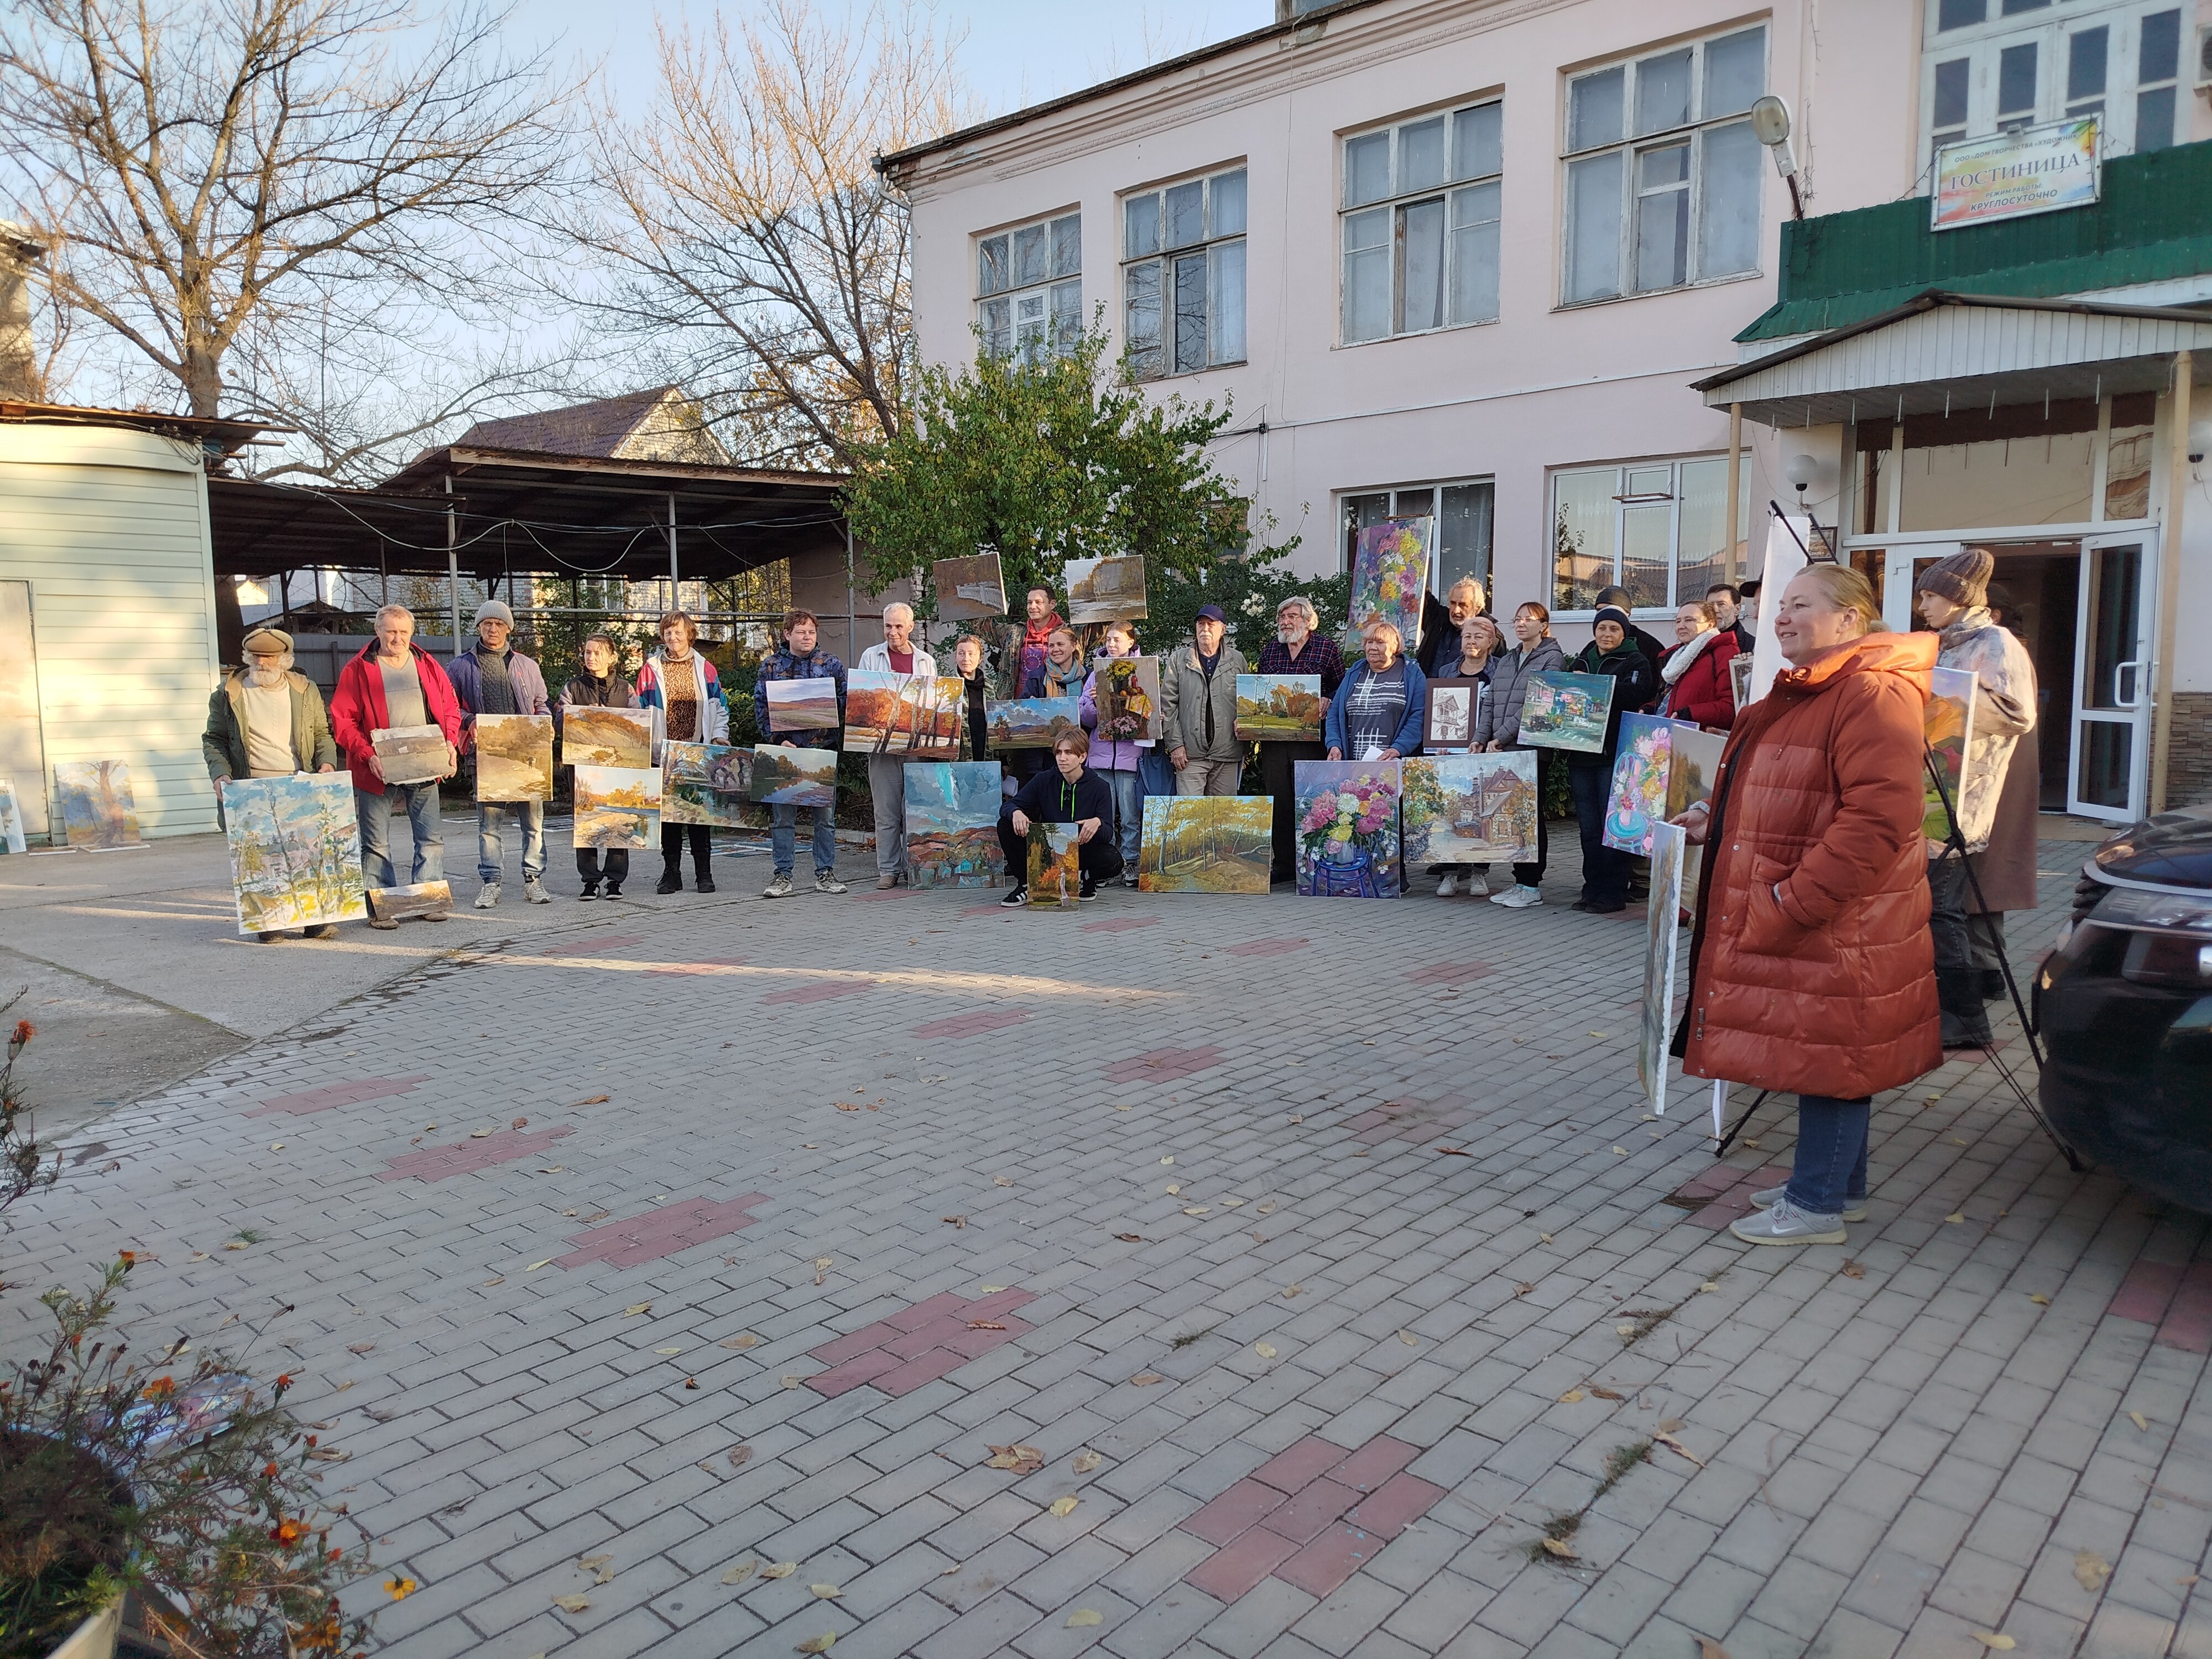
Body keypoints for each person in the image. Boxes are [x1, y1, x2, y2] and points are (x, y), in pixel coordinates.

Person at [1674, 565, 1940, 1245]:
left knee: (1831, 1062)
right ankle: (1834, 1188)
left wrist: (1791, 902)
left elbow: (1877, 822)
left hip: (1837, 921)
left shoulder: (1871, 694)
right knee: (1833, 1054)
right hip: (1825, 918)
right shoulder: (1805, 693)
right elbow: (1783, 791)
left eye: (1799, 606)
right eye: (1778, 606)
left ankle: (1814, 1205)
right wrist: (1718, 819)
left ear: (1850, 620)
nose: (1781, 617)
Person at [1914, 549, 2036, 1050]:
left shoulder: (1997, 642)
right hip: (1928, 790)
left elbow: (2016, 714)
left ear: (1957, 597)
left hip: (1965, 797)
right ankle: (1942, 1011)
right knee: (1934, 906)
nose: (1921, 605)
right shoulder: (1940, 642)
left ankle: (1965, 1019)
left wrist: (1942, 698)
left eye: (1928, 596)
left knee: (1943, 907)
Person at [202, 625, 342, 941]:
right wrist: (220, 774)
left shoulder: (305, 690)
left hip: (298, 781)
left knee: (306, 854)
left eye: (270, 658)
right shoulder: (228, 694)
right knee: (263, 858)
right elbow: (214, 739)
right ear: (247, 657)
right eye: (256, 657)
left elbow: (322, 732)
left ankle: (315, 920)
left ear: (285, 660)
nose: (263, 663)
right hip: (251, 785)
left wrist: (327, 763)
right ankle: (270, 922)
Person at [328, 604, 461, 928]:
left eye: (403, 632)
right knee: (376, 842)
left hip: (425, 763)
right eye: (390, 631)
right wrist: (367, 755)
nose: (397, 638)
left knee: (430, 837)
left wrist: (451, 743)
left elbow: (451, 707)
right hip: (377, 768)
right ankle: (381, 907)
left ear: (411, 632)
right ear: (377, 631)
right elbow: (342, 722)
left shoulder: (427, 665)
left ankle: (428, 899)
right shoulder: (357, 670)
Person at [445, 599, 553, 909]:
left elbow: (541, 703)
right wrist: (469, 721)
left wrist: (545, 724)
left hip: (527, 757)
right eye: (487, 624)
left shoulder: (527, 666)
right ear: (479, 627)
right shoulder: (461, 666)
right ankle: (491, 883)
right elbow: (449, 707)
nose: (493, 629)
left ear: (509, 629)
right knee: (490, 826)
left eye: (500, 624)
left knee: (533, 823)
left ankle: (534, 881)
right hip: (487, 757)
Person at [1966, 582, 2041, 1001]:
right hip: (1991, 775)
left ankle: (1987, 974)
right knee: (1982, 882)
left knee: (1982, 880)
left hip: (1992, 777)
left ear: (1991, 614)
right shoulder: (2005, 648)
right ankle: (1987, 972)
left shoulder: (2003, 651)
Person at [1564, 604, 1659, 914]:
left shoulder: (1636, 660)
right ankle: (1591, 888)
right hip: (1581, 753)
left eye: (1614, 629)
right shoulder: (1583, 658)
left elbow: (1637, 694)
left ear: (1624, 633)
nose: (1607, 634)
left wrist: (1591, 688)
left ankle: (1613, 892)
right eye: (1602, 628)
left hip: (1614, 756)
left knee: (1614, 826)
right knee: (1589, 827)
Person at [752, 607, 847, 899]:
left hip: (821, 753)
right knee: (783, 819)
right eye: (801, 632)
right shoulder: (770, 667)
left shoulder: (830, 664)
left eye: (811, 632)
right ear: (787, 634)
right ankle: (782, 876)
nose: (807, 637)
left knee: (825, 819)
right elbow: (761, 706)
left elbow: (846, 703)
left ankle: (826, 873)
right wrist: (777, 739)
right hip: (784, 754)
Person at [1478, 602, 1568, 909]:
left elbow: (1537, 704)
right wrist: (1481, 738)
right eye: (1516, 619)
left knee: (1530, 816)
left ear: (1543, 625)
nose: (1520, 624)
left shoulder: (1553, 658)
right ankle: (1520, 881)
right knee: (1513, 816)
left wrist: (1501, 737)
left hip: (1530, 749)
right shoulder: (1507, 660)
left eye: (1528, 619)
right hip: (1502, 748)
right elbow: (1489, 701)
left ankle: (1531, 885)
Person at [636, 611, 731, 895]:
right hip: (662, 755)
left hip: (698, 752)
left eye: (678, 632)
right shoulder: (650, 669)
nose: (673, 637)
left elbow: (720, 706)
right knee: (670, 820)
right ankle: (671, 874)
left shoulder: (706, 669)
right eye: (668, 632)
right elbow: (640, 709)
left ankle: (704, 874)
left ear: (689, 634)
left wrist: (719, 736)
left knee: (699, 816)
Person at [1255, 596, 1347, 885]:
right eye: (1282, 617)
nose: (1286, 622)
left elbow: (1341, 686)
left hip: (1311, 739)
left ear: (1308, 620)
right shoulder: (1271, 651)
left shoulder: (1326, 648)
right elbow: (1259, 690)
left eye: (1292, 616)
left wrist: (1328, 699)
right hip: (1274, 740)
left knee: (1312, 799)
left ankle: (1314, 860)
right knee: (1280, 800)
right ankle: (1283, 863)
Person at [856, 602, 937, 890]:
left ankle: (915, 870)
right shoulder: (871, 656)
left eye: (899, 626)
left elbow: (932, 706)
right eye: (888, 626)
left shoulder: (926, 661)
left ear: (911, 627)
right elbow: (864, 700)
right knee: (886, 812)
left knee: (915, 812)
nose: (893, 632)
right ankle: (888, 870)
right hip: (881, 748)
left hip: (916, 748)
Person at [995, 728, 1124, 905]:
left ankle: (1086, 878)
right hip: (1050, 849)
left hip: (1081, 849)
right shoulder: (1044, 779)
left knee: (1114, 860)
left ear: (1082, 757)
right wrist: (1016, 812)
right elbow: (1009, 806)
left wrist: (1098, 823)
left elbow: (1108, 833)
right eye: (1059, 752)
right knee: (1006, 824)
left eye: (1069, 753)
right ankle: (1026, 884)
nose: (1062, 758)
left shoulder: (1099, 786)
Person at [561, 632, 637, 900]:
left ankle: (615, 880)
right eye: (588, 652)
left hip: (618, 768)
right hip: (583, 768)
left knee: (618, 819)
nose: (591, 658)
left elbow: (637, 726)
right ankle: (590, 880)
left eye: (597, 653)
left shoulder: (626, 689)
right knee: (586, 823)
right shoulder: (573, 687)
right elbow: (562, 720)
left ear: (612, 657)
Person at [1432, 614, 1503, 897]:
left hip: (1485, 750)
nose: (1471, 642)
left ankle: (1478, 873)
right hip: (1451, 752)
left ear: (1491, 642)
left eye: (1478, 637)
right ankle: (1449, 873)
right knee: (1448, 810)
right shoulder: (1447, 671)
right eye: (1466, 637)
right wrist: (1436, 740)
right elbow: (1437, 710)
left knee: (1482, 812)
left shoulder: (1499, 670)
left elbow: (1501, 708)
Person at [1078, 620, 1148, 885]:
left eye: (1117, 640)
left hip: (1131, 756)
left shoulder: (1143, 670)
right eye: (1108, 640)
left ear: (1131, 642)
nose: (1111, 644)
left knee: (1130, 814)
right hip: (1101, 755)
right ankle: (1104, 863)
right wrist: (1096, 701)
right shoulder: (1095, 674)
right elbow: (1085, 718)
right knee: (1102, 815)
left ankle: (1130, 862)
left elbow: (1148, 710)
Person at [1160, 604, 1250, 796]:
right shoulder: (1178, 660)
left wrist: (1245, 724)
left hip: (1227, 753)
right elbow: (1167, 705)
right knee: (1190, 818)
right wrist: (1176, 745)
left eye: (1211, 624)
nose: (1205, 629)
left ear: (1223, 629)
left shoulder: (1238, 660)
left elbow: (1248, 702)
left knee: (1223, 816)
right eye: (1201, 624)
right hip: (1190, 756)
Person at [1325, 620, 1427, 764]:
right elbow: (1334, 713)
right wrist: (1334, 744)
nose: (1372, 647)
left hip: (1394, 761)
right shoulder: (1354, 673)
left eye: (1380, 642)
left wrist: (1399, 748)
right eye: (1369, 642)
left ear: (1395, 646)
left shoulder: (1412, 674)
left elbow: (1419, 716)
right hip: (1353, 763)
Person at [1657, 599, 1740, 729]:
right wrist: (1651, 706)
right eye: (1678, 621)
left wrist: (1691, 713)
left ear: (1710, 624)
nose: (1681, 626)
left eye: (1689, 620)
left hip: (1702, 740)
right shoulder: (1677, 656)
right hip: (1671, 735)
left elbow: (1732, 706)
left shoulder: (1724, 652)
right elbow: (1673, 696)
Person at [1593, 585, 1667, 705]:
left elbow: (1647, 691)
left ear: (1627, 613)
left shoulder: (1650, 646)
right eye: (1599, 610)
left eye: (1610, 608)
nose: (1607, 634)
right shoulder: (1591, 649)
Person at [997, 584, 1068, 697]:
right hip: (1018, 705)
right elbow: (983, 624)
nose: (1032, 606)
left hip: (1055, 703)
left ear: (1052, 604)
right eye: (1030, 602)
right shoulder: (1014, 633)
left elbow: (1099, 628)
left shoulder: (1068, 635)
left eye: (1038, 602)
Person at [1417, 577, 1489, 678]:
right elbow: (1423, 597)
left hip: (1462, 693)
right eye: (1453, 603)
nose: (1456, 611)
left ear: (1477, 608)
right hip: (1426, 690)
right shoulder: (1439, 621)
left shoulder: (1490, 634)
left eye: (1463, 605)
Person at [946, 634, 993, 765]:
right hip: (958, 760)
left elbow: (999, 725)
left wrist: (1004, 761)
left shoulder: (991, 687)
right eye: (961, 654)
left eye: (971, 654)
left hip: (987, 757)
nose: (966, 658)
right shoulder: (947, 687)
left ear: (980, 659)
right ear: (956, 657)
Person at [1709, 583, 1754, 656]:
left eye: (1721, 604)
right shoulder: (1697, 643)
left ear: (1737, 609)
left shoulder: (1751, 646)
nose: (1715, 610)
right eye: (1710, 605)